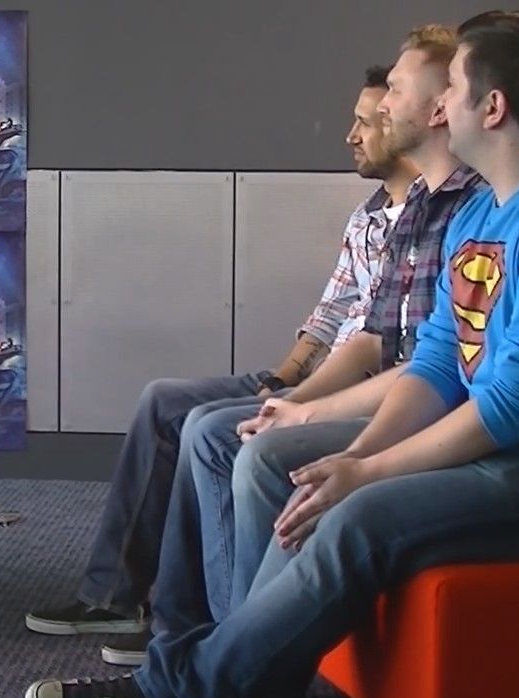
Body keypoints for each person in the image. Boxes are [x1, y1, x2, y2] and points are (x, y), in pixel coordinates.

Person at [24, 11, 519, 698]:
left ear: (492, 107)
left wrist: (369, 473)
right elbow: (438, 364)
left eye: (452, 87)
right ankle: (240, 692)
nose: (441, 104)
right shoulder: (485, 212)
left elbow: (514, 406)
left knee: (358, 516)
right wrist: (357, 456)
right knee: (312, 481)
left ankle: (175, 693)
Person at [99, 26, 487, 671]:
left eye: (392, 94)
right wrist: (289, 393)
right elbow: (365, 333)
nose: (363, 126)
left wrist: (321, 423)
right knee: (194, 418)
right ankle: (192, 636)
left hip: (410, 403)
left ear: (445, 108)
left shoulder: (485, 208)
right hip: (370, 384)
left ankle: (229, 651)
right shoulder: (407, 208)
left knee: (231, 441)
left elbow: (439, 370)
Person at [23, 65, 419, 646]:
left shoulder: (434, 219)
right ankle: (113, 598)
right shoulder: (367, 216)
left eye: (364, 122)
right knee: (163, 400)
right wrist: (280, 379)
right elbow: (331, 313)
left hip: (360, 390)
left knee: (207, 430)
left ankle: (200, 629)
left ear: (401, 123)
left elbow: (385, 347)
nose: (351, 136)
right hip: (317, 376)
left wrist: (298, 399)